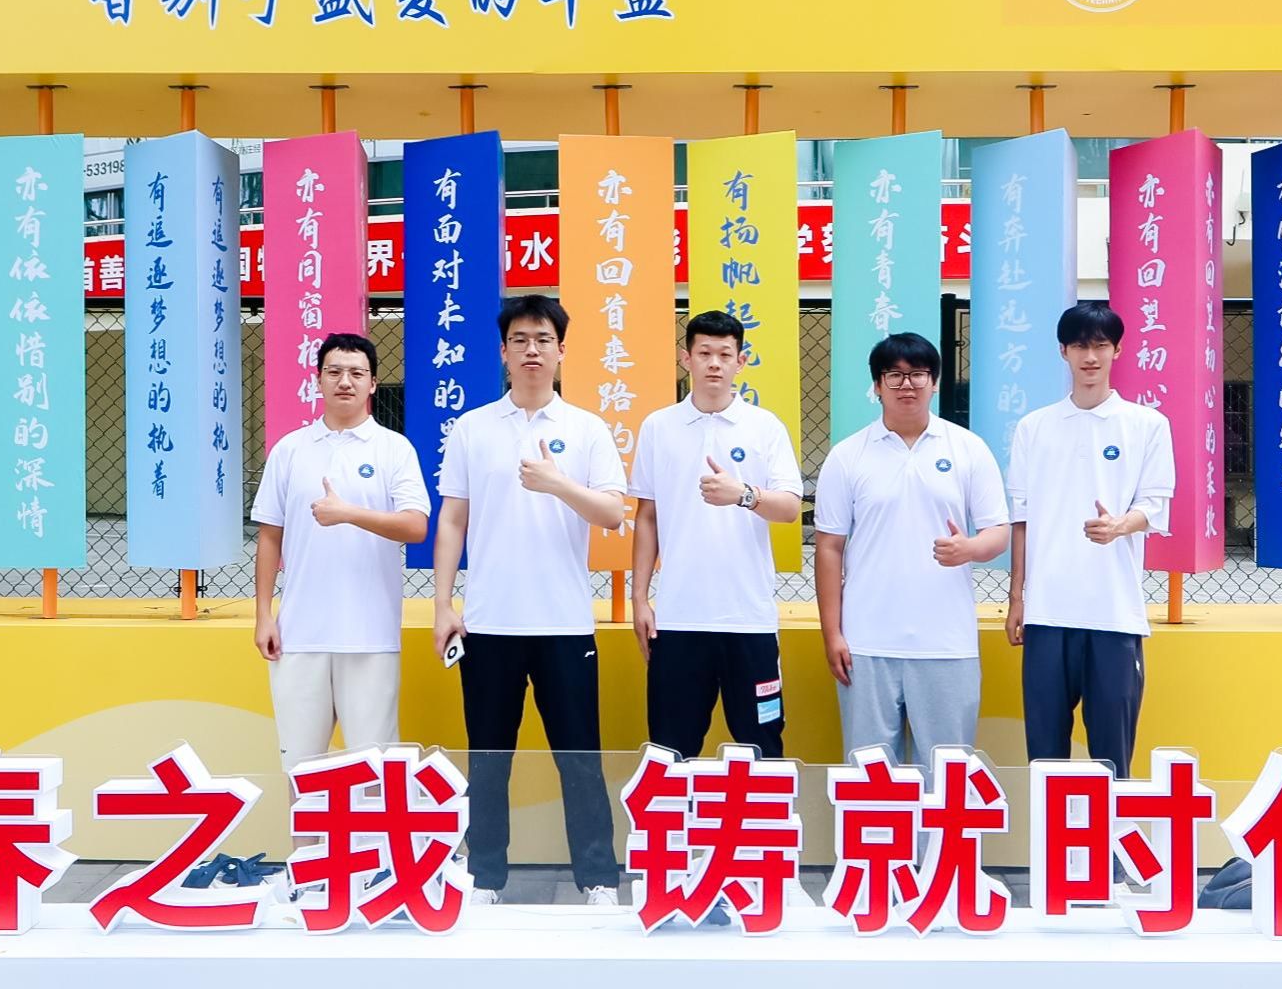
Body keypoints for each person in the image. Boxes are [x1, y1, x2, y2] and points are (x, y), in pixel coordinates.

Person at [431, 294, 630, 905]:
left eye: (543, 340)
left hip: (564, 624)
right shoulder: (473, 428)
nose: (532, 350)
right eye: (520, 340)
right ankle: (485, 878)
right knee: (489, 761)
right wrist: (443, 605)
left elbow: (613, 514)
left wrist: (558, 483)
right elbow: (453, 520)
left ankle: (597, 879)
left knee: (580, 759)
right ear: (503, 352)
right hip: (489, 623)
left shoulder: (586, 429)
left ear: (562, 350)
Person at [813, 332, 1009, 766]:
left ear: (934, 382)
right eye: (895, 375)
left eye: (918, 374)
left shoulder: (968, 449)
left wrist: (969, 549)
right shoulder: (848, 456)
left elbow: (998, 531)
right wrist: (833, 633)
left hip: (946, 642)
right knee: (869, 775)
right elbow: (828, 547)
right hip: (867, 641)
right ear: (877, 385)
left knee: (945, 773)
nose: (907, 385)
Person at [1005, 302, 1173, 777]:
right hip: (1047, 613)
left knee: (1112, 757)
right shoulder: (1034, 427)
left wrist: (1120, 525)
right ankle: (1051, 830)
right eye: (1080, 346)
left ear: (1118, 349)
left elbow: (1155, 504)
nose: (1090, 356)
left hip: (1113, 613)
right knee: (1045, 756)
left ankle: (1112, 829)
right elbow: (1022, 519)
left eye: (1100, 345)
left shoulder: (1147, 425)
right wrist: (1017, 598)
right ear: (1063, 351)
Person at [250, 333, 430, 774]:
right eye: (334, 372)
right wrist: (264, 615)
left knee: (376, 768)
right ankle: (303, 828)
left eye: (356, 373)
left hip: (370, 634)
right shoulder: (290, 449)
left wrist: (349, 513)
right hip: (299, 634)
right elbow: (270, 536)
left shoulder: (394, 448)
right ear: (318, 380)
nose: (344, 382)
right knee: (301, 766)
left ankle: (374, 827)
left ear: (373, 383)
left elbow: (416, 526)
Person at [629, 310, 807, 758]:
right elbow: (647, 517)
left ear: (741, 361)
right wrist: (640, 599)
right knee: (670, 748)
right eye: (704, 352)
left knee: (761, 744)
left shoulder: (764, 427)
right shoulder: (659, 426)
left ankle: (760, 810)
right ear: (685, 358)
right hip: (679, 618)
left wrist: (743, 494)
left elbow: (790, 508)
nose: (714, 363)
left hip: (748, 619)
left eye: (725, 354)